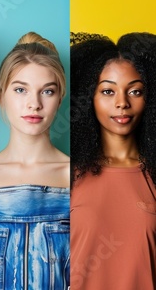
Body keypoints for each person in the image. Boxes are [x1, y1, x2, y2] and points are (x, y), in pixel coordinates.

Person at [70, 33, 156, 289]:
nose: (122, 103)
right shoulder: (65, 173)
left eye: (135, 91)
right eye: (108, 91)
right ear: (88, 98)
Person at [0, 32, 70, 289]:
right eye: (21, 89)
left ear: (60, 99)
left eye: (47, 91)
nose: (34, 104)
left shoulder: (78, 176)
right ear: (0, 95)